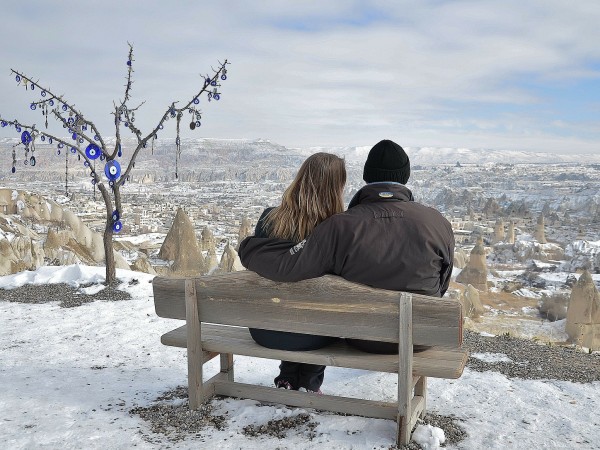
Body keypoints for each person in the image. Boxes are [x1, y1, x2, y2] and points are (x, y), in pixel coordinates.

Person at [239, 139, 455, 354]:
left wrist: (251, 247)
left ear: (366, 176)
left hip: (363, 337)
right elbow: (442, 283)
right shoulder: (437, 222)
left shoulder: (341, 226)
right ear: (406, 176)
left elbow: (289, 266)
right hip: (422, 337)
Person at [248, 152, 347, 392]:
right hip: (316, 335)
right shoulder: (339, 228)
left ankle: (288, 377)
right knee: (320, 311)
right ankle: (309, 382)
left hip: (265, 329)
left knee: (287, 303)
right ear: (337, 188)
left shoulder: (268, 219)